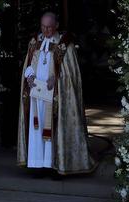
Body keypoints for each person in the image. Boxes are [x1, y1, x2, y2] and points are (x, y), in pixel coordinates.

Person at [17, 11, 97, 176]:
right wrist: (29, 76)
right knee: (36, 129)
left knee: (55, 128)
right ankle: (37, 165)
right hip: (36, 94)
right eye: (43, 27)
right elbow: (29, 63)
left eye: (49, 27)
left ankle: (55, 165)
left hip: (56, 96)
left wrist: (57, 78)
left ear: (57, 26)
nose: (46, 30)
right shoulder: (35, 42)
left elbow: (71, 73)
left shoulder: (65, 44)